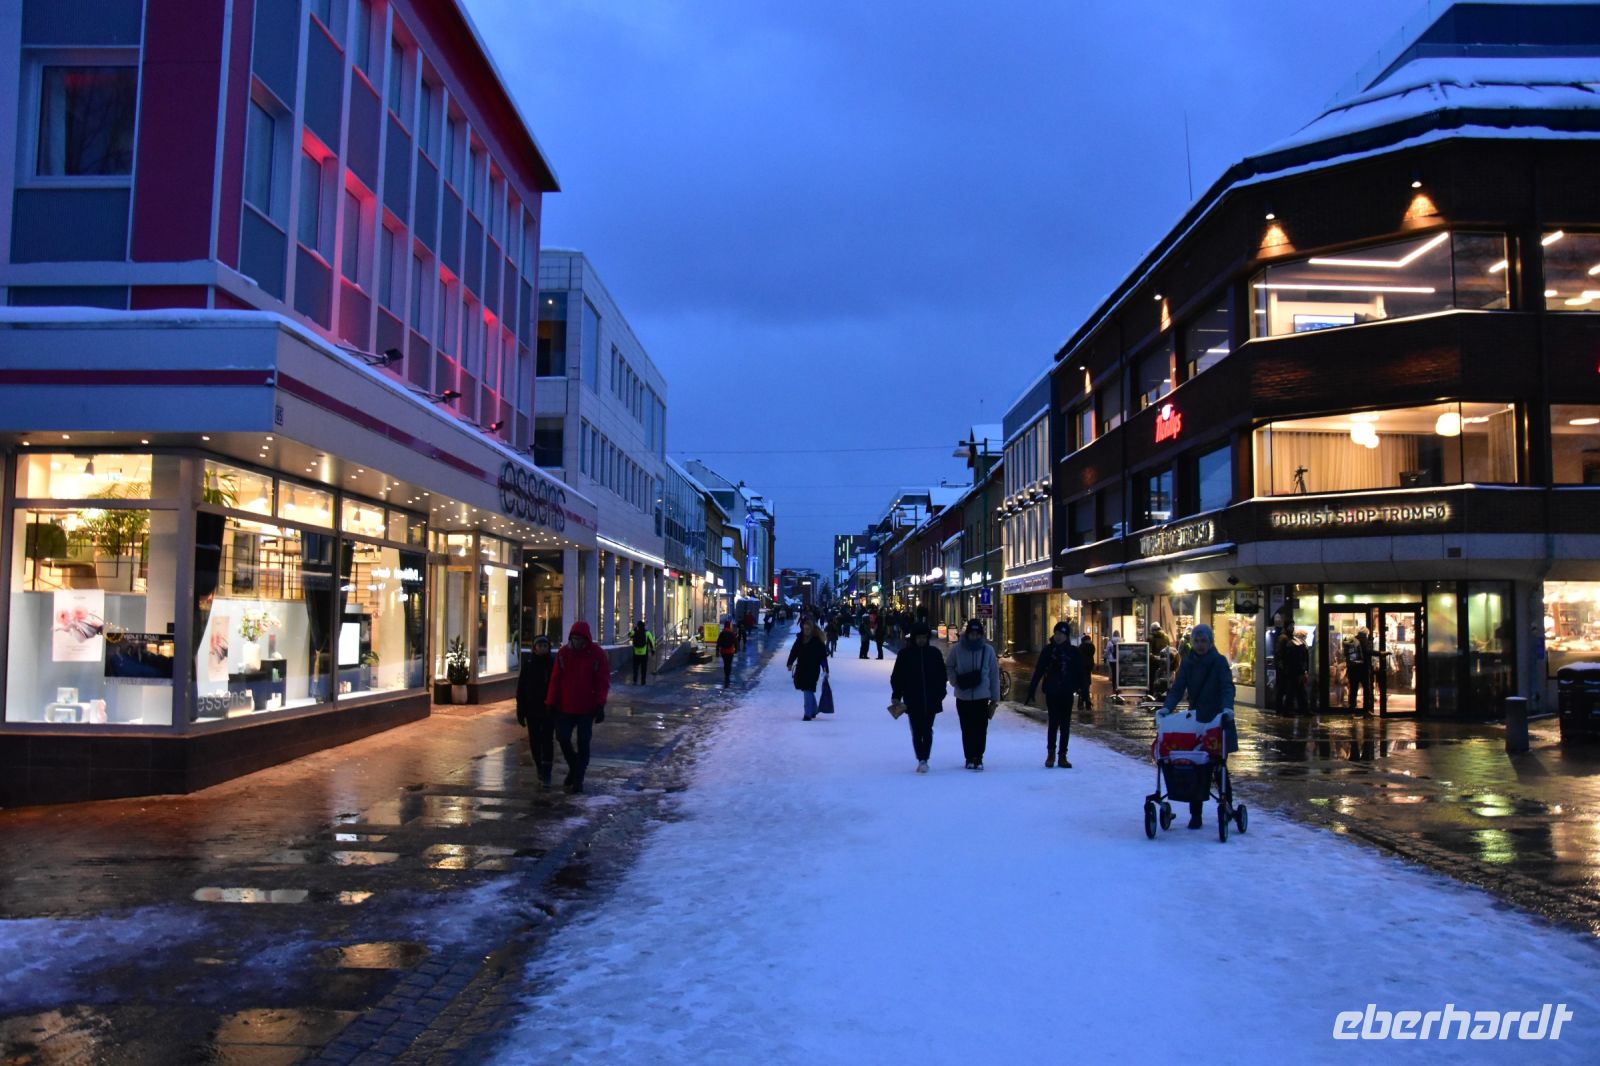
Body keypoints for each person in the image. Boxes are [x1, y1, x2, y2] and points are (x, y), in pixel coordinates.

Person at [1159, 623, 1237, 828]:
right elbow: (1177, 689)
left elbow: (1227, 687)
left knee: (1218, 767)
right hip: (1196, 721)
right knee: (1195, 767)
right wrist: (1167, 708)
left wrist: (1227, 709)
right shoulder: (1188, 663)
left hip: (1218, 721)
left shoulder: (1218, 662)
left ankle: (1227, 806)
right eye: (1197, 641)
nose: (1200, 645)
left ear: (1211, 642)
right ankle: (1196, 815)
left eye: (1204, 641)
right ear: (1192, 642)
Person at [545, 621, 610, 794]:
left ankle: (578, 778)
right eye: (574, 639)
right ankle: (575, 768)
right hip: (565, 706)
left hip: (586, 708)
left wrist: (600, 704)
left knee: (583, 742)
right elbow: (555, 679)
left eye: (579, 639)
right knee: (563, 738)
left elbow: (602, 682)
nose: (576, 642)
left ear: (586, 639)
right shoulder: (563, 654)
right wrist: (550, 702)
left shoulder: (597, 655)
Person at [1026, 621, 1088, 767]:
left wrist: (1086, 694)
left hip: (1067, 692)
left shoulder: (1073, 652)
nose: (1058, 637)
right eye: (1056, 634)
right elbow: (1039, 670)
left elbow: (1081, 673)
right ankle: (1051, 754)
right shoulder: (1048, 650)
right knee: (1053, 723)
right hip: (1052, 692)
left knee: (1065, 724)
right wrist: (1032, 689)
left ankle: (1062, 756)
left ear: (1067, 636)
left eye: (1061, 634)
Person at [890, 621, 947, 772]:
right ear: (914, 638)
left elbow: (942, 675)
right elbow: (897, 676)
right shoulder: (905, 655)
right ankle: (921, 757)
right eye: (919, 637)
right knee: (916, 729)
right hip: (913, 699)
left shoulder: (934, 654)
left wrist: (940, 694)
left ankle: (924, 758)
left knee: (927, 729)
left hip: (931, 699)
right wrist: (897, 694)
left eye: (924, 637)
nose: (921, 640)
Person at [946, 619, 1000, 770]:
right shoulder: (957, 649)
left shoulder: (988, 650)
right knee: (967, 728)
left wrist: (995, 698)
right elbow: (949, 666)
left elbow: (994, 675)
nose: (974, 637)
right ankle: (969, 756)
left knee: (981, 728)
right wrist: (954, 681)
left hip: (982, 696)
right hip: (963, 695)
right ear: (967, 634)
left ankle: (978, 757)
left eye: (977, 634)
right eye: (972, 633)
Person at [516, 634, 556, 787]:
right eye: (540, 646)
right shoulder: (529, 664)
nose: (542, 648)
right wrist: (521, 710)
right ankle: (539, 767)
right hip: (532, 710)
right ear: (534, 648)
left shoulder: (552, 664)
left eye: (545, 646)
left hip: (548, 709)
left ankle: (547, 771)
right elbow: (521, 689)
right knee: (534, 741)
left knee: (547, 740)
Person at [787, 617, 831, 720]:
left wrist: (825, 670)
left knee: (808, 688)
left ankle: (807, 714)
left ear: (812, 629)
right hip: (801, 668)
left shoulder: (817, 642)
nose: (806, 631)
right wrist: (790, 663)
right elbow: (794, 651)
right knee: (807, 690)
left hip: (813, 669)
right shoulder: (800, 639)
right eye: (804, 629)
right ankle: (814, 709)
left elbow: (823, 657)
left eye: (808, 629)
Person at [1276, 627, 1309, 714]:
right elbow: (1298, 660)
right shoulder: (1295, 645)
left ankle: (1301, 709)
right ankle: (1291, 710)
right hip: (1295, 672)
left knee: (1298, 691)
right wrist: (1303, 671)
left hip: (1295, 672)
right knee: (1294, 691)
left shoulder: (1294, 644)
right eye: (1304, 636)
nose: (1305, 637)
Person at [1343, 629, 1371, 714]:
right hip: (1363, 669)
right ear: (1366, 633)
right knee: (1366, 689)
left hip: (1352, 669)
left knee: (1353, 689)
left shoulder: (1352, 640)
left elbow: (1346, 654)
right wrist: (1380, 653)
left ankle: (1352, 708)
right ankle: (1366, 709)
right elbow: (1367, 652)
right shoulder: (1364, 640)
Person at [629, 619, 654, 685]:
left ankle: (635, 681)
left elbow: (629, 635)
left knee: (635, 667)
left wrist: (634, 629)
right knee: (644, 668)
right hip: (644, 653)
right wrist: (652, 650)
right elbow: (652, 642)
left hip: (636, 653)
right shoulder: (647, 633)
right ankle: (643, 681)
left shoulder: (635, 632)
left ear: (638, 626)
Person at [1076, 633, 1096, 711]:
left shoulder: (1081, 647)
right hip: (1089, 667)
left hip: (1082, 667)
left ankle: (1083, 700)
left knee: (1082, 684)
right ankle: (1087, 700)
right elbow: (1091, 654)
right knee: (1087, 683)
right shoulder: (1092, 647)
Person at [716, 620, 739, 686]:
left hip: (723, 651)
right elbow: (736, 642)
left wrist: (717, 651)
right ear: (729, 626)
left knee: (725, 663)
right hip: (730, 651)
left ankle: (726, 675)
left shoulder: (722, 633)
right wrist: (736, 650)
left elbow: (718, 642)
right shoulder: (732, 633)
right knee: (729, 664)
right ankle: (728, 676)